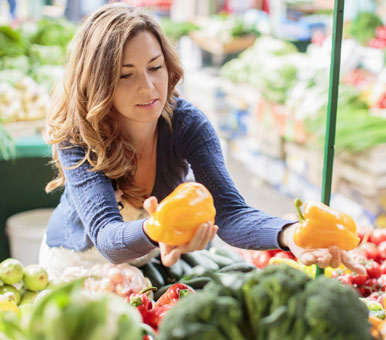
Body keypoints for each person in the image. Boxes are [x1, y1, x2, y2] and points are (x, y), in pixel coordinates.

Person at [40, 2, 365, 280]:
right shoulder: (79, 135)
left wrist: (291, 234)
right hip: (75, 264)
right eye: (127, 75)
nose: (149, 87)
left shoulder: (185, 123)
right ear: (98, 82)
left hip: (143, 263)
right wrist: (160, 229)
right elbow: (107, 239)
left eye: (155, 67)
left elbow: (230, 214)